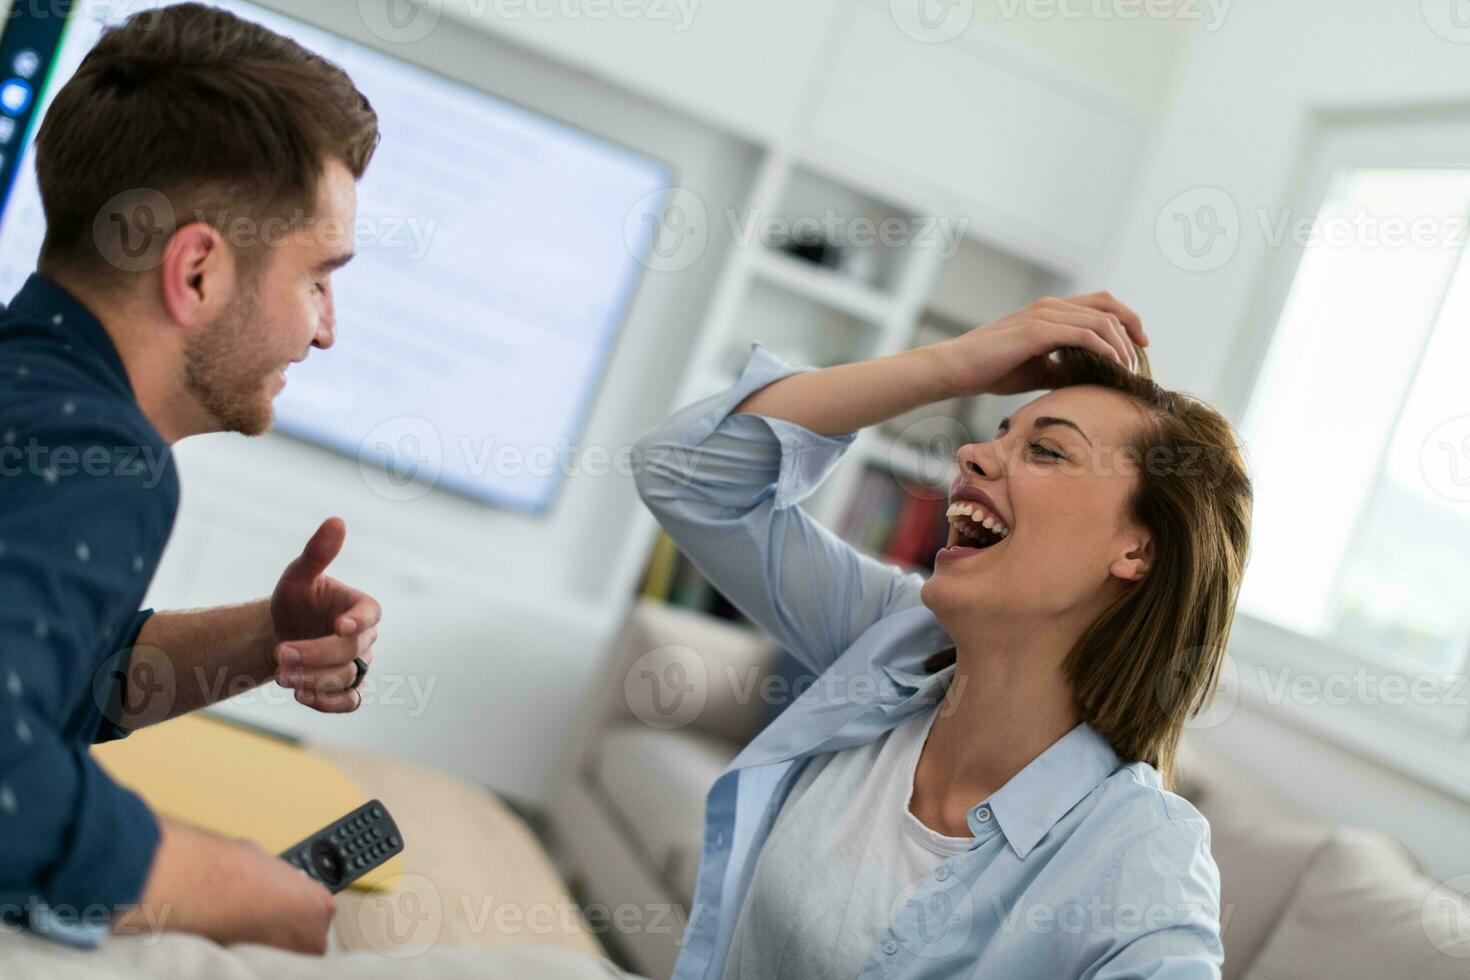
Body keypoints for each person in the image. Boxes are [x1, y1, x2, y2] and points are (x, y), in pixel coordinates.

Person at [634, 292, 1252, 978]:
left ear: (1139, 551)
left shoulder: (1141, 855)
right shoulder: (894, 637)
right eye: (997, 433)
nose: (972, 455)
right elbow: (683, 471)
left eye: (1046, 450)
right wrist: (953, 365)